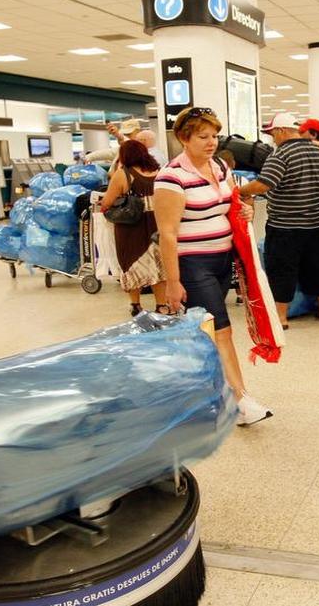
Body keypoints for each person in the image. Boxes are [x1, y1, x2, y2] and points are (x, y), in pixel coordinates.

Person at [153, 106, 272, 426]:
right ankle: (240, 399)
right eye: (203, 136)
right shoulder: (171, 178)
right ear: (183, 139)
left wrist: (245, 211)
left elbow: (230, 205)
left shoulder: (219, 166)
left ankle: (198, 393)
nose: (211, 142)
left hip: (222, 260)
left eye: (215, 135)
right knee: (221, 329)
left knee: (203, 332)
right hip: (192, 264)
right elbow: (167, 234)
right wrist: (173, 282)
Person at [239, 112, 319, 326]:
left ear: (281, 131)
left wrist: (240, 190)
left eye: (273, 133)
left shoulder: (280, 154)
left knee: (282, 269)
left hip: (285, 226)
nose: (272, 139)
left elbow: (264, 184)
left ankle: (281, 317)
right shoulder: (318, 151)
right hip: (318, 225)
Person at [100, 140, 167, 315]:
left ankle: (136, 304)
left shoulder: (123, 175)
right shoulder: (160, 173)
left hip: (130, 228)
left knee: (131, 264)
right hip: (157, 224)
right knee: (158, 266)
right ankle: (161, 305)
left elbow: (107, 201)